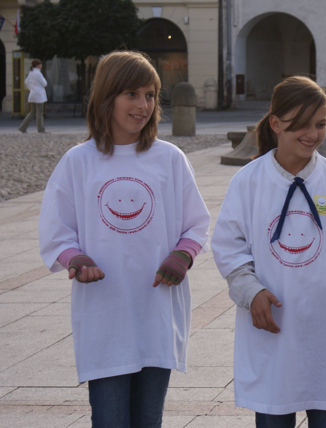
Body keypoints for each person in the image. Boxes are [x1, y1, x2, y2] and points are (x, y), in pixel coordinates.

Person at [38, 51, 211, 428]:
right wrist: (76, 259)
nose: (143, 105)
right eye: (131, 94)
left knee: (148, 420)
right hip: (105, 317)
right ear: (107, 96)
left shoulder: (169, 159)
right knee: (110, 418)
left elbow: (196, 223)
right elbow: (55, 229)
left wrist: (182, 256)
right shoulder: (78, 161)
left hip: (156, 313)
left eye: (150, 95)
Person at [211, 76, 326, 428]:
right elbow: (228, 247)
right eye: (302, 124)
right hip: (272, 332)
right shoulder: (248, 182)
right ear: (276, 123)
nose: (312, 133)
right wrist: (251, 291)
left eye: (321, 124)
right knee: (273, 416)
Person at [19, 58, 48, 133]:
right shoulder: (38, 73)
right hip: (39, 95)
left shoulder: (31, 72)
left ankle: (23, 127)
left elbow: (26, 82)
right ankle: (41, 129)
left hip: (33, 94)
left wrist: (31, 88)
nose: (41, 65)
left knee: (32, 112)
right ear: (38, 65)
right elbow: (44, 83)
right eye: (40, 64)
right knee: (39, 113)